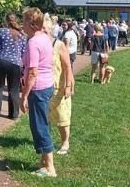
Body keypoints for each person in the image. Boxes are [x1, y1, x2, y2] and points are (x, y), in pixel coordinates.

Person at [20, 7, 56, 177]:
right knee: (42, 123)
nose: (22, 25)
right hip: (47, 85)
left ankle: (50, 168)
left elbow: (33, 72)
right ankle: (44, 162)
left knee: (40, 126)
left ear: (31, 23)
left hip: (38, 88)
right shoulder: (44, 37)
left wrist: (24, 95)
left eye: (24, 21)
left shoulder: (34, 42)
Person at [43, 14, 75, 155]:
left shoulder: (59, 45)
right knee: (45, 118)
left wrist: (68, 86)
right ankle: (47, 143)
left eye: (44, 29)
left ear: (49, 29)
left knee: (62, 117)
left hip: (59, 86)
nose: (42, 32)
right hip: (43, 87)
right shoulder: (36, 43)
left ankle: (65, 142)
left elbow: (68, 67)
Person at [0, 14, 27, 120]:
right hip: (15, 63)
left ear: (6, 21)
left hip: (1, 61)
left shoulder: (2, 32)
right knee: (13, 89)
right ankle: (14, 114)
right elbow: (24, 52)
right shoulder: (22, 34)